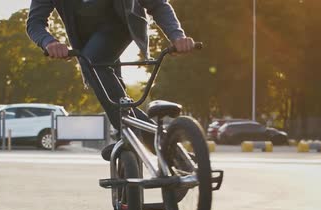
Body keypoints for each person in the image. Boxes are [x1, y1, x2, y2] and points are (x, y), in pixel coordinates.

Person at [27, 0, 195, 160]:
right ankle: (167, 151)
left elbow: (158, 5)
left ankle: (134, 134)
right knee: (115, 96)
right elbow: (34, 23)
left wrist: (177, 36)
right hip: (86, 43)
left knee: (93, 62)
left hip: (120, 25)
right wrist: (49, 42)